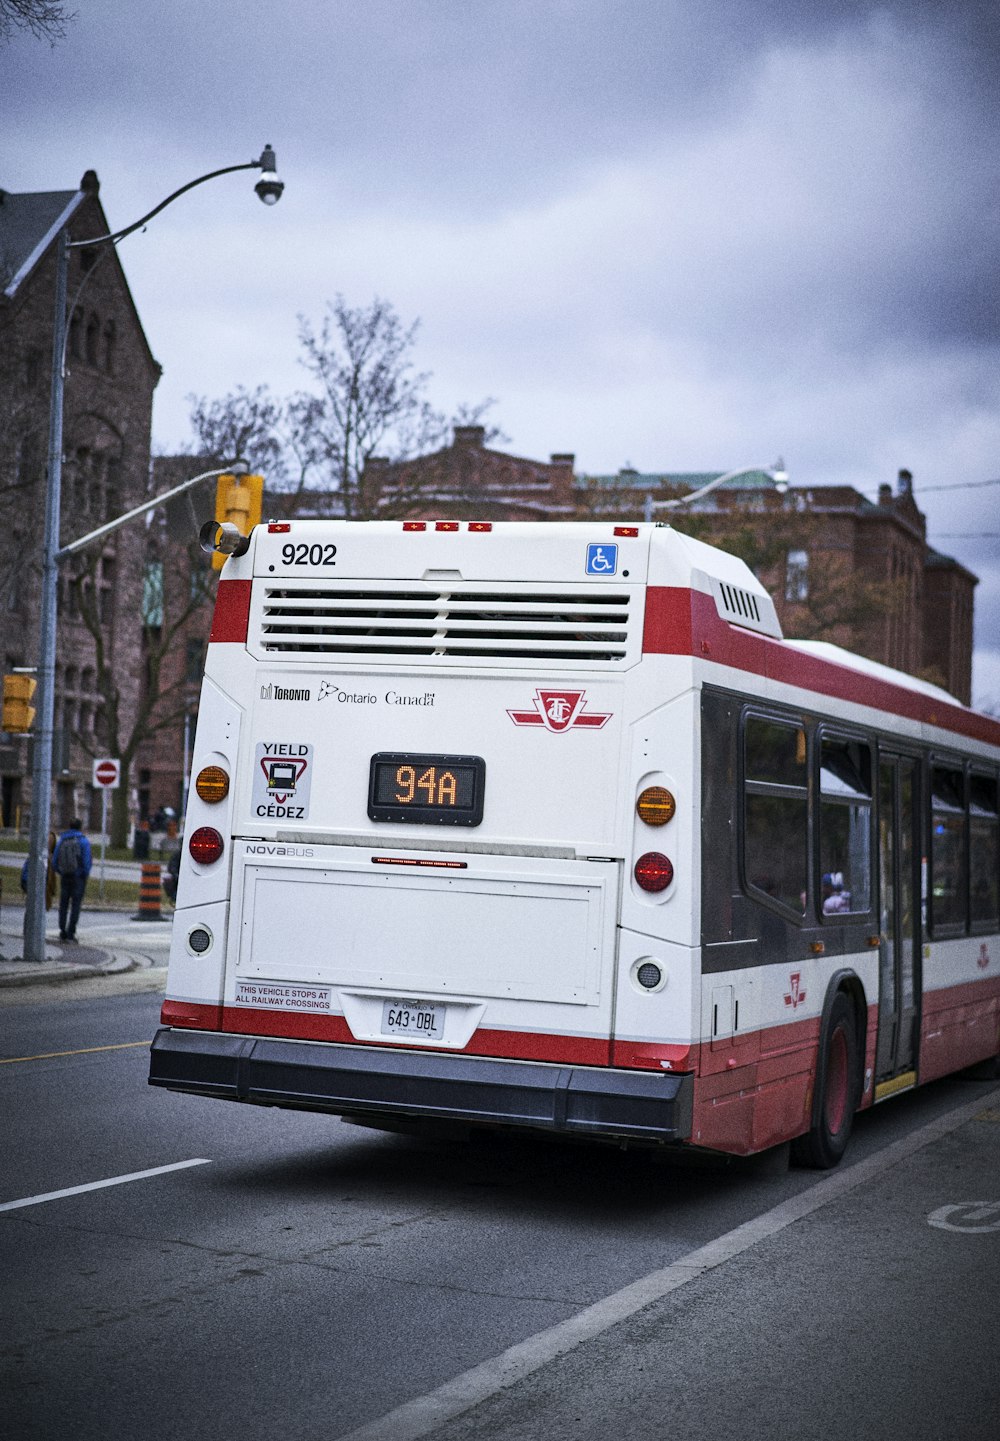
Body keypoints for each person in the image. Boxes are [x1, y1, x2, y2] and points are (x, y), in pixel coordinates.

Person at [53, 819, 92, 942]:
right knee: (75, 905)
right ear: (80, 827)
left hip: (65, 876)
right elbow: (86, 862)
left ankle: (62, 930)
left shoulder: (62, 840)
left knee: (63, 904)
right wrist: (84, 874)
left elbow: (54, 861)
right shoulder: (83, 841)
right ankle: (71, 932)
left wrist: (61, 871)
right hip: (78, 877)